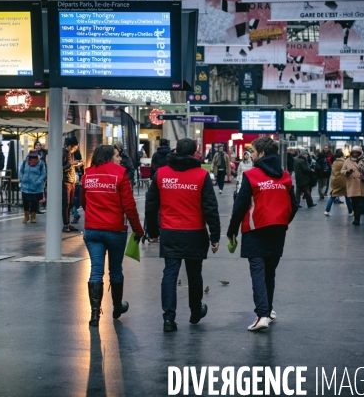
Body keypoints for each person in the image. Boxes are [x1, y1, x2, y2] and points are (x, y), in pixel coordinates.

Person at [145, 138, 221, 332]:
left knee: (170, 274)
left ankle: (169, 319)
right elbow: (210, 208)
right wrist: (215, 236)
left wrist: (153, 232)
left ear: (176, 150)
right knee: (194, 274)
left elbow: (151, 205)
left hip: (170, 232)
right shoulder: (202, 176)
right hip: (195, 232)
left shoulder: (161, 174)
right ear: (195, 154)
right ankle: (196, 312)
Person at [227, 137, 298, 331]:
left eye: (254, 151)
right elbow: (294, 205)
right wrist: (283, 222)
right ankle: (268, 310)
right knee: (269, 272)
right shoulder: (284, 176)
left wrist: (231, 232)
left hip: (255, 230)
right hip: (278, 230)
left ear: (262, 154)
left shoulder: (251, 176)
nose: (252, 154)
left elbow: (240, 206)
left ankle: (262, 315)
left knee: (258, 271)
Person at [81, 145, 144, 327]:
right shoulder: (120, 175)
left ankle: (94, 315)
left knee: (96, 270)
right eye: (117, 155)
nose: (120, 159)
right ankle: (117, 307)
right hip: (115, 229)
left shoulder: (88, 175)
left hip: (92, 230)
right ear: (109, 156)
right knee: (115, 270)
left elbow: (84, 202)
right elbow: (129, 207)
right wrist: (138, 230)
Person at [341, 146, 364, 226]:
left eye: (357, 153)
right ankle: (356, 216)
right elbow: (342, 170)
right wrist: (347, 172)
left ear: (360, 153)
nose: (355, 154)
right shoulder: (347, 161)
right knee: (354, 202)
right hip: (352, 184)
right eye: (353, 153)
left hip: (362, 184)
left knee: (360, 202)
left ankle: (357, 219)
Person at [19, 149, 46, 224]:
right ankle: (26, 216)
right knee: (25, 201)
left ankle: (33, 217)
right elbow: (21, 171)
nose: (33, 159)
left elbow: (43, 174)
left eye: (34, 157)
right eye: (31, 157)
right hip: (25, 186)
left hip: (36, 187)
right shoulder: (25, 162)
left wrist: (38, 181)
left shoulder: (41, 163)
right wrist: (21, 179)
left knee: (34, 201)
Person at [62, 136, 83, 232]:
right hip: (65, 181)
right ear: (69, 146)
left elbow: (71, 165)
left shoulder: (71, 154)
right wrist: (72, 164)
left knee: (70, 203)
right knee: (66, 204)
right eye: (74, 147)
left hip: (72, 180)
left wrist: (77, 164)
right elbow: (61, 167)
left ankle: (68, 224)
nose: (75, 150)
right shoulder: (63, 153)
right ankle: (66, 224)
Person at [324, 149, 353, 216]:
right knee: (347, 196)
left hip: (335, 180)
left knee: (333, 196)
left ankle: (327, 210)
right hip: (343, 181)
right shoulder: (343, 163)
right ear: (342, 155)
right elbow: (347, 171)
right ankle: (350, 211)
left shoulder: (334, 162)